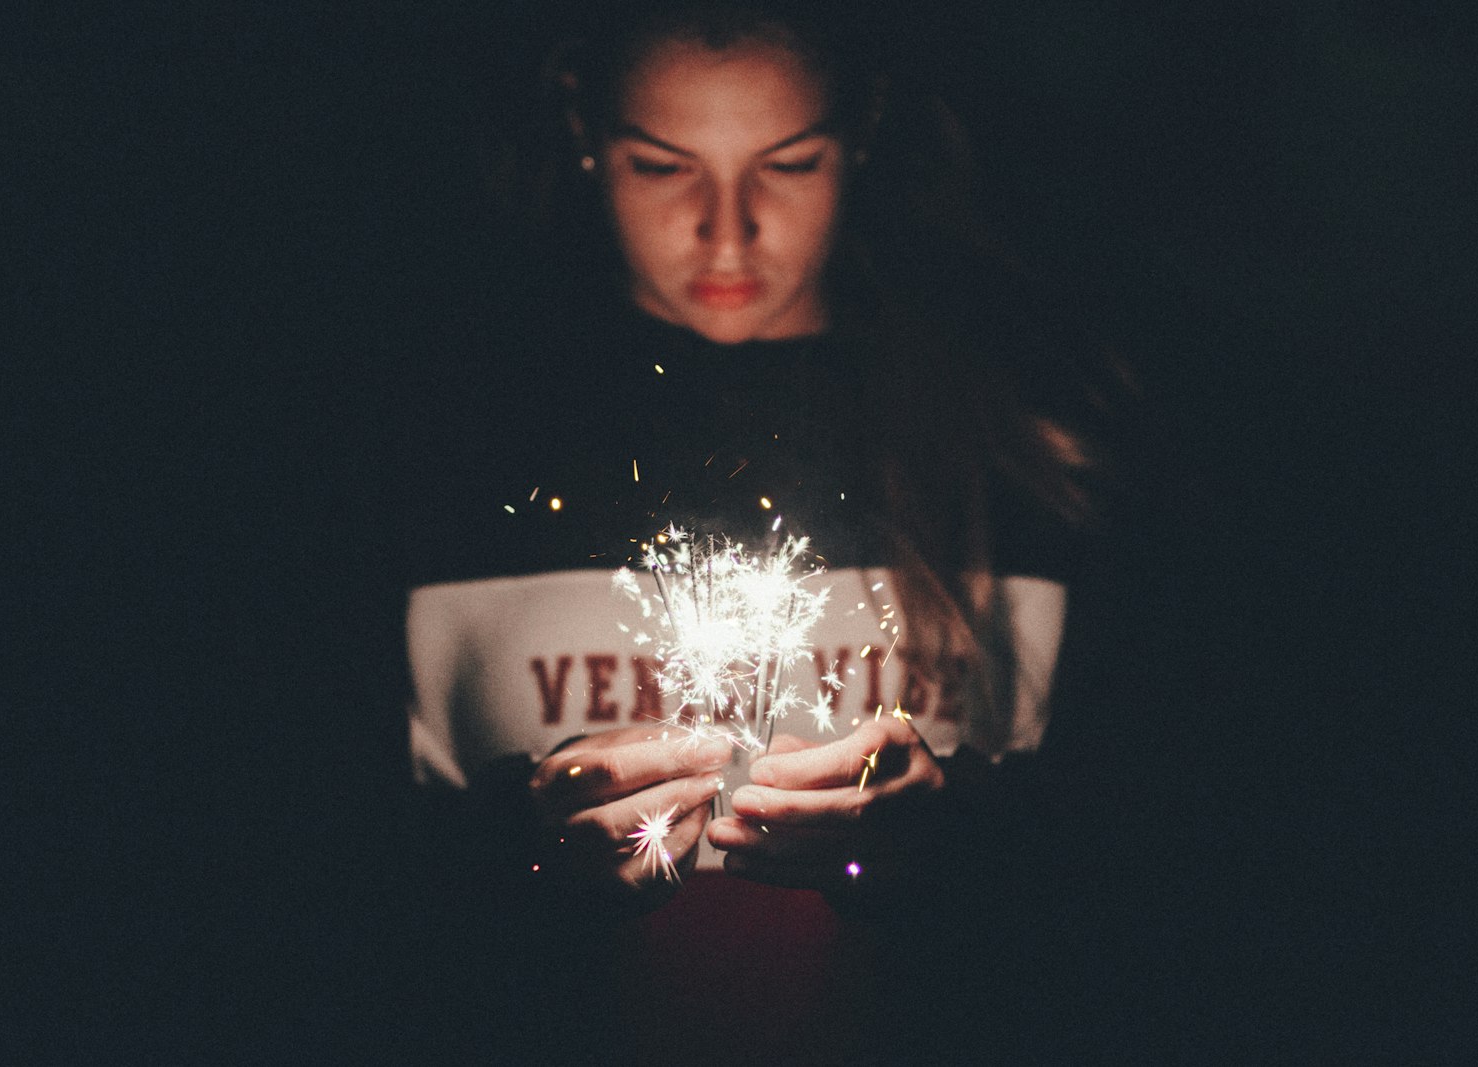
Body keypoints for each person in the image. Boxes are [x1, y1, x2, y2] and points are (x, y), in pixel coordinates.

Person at [395, 3, 1128, 1061]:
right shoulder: (448, 444)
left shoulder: (1025, 449)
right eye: (662, 166)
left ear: (863, 129)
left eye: (787, 163)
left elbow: (1144, 878)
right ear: (580, 127)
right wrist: (518, 860)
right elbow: (316, 880)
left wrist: (961, 851)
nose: (727, 230)